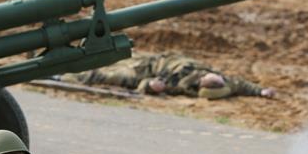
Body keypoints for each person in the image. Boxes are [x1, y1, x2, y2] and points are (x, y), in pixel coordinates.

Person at [60, 52, 276, 99]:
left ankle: (62, 76)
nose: (214, 78)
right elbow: (244, 85)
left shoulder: (181, 85)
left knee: (107, 75)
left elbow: (147, 85)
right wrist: (262, 91)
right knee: (106, 54)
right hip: (154, 59)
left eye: (212, 82)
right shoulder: (226, 82)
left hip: (145, 72)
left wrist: (150, 86)